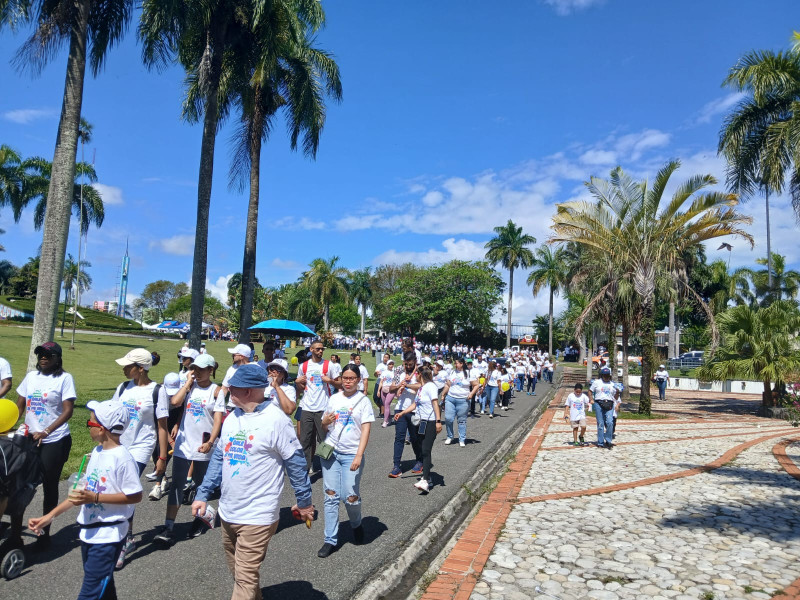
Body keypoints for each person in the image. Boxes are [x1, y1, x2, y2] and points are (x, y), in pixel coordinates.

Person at [191, 365, 314, 600]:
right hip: (228, 513)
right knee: (240, 576)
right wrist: (202, 494)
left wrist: (305, 502)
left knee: (244, 580)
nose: (227, 391)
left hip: (258, 515)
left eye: (232, 388)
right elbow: (219, 458)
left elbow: (297, 464)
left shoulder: (276, 420)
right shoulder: (232, 418)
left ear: (247, 391)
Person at [28, 400, 142, 600]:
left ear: (102, 429)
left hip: (109, 536)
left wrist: (95, 497)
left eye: (90, 423)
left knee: (90, 592)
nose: (88, 426)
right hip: (89, 532)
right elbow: (80, 495)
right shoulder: (97, 453)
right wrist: (49, 517)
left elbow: (135, 495)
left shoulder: (122, 458)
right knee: (103, 587)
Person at [154, 353, 225, 546]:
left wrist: (211, 442)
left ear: (211, 370)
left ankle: (201, 518)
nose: (197, 372)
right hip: (184, 445)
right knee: (177, 484)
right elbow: (175, 402)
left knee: (202, 485)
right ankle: (168, 526)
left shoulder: (216, 391)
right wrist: (187, 384)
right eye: (194, 369)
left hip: (203, 445)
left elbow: (217, 420)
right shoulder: (190, 387)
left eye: (201, 369)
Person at [110, 348, 170, 569]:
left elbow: (162, 426)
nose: (124, 368)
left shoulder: (157, 391)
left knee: (127, 491)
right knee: (116, 490)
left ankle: (125, 541)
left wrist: (161, 457)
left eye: (128, 365)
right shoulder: (122, 388)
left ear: (141, 368)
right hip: (120, 444)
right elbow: (111, 415)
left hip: (141, 447)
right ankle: (126, 534)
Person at [14, 341, 75, 551]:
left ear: (58, 358)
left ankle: (44, 535)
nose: (43, 358)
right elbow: (20, 405)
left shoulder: (64, 379)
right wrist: (8, 425)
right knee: (19, 484)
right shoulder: (31, 377)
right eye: (41, 354)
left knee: (49, 485)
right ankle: (15, 536)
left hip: (55, 439)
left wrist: (46, 431)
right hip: (30, 438)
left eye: (48, 355)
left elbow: (68, 410)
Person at [318, 364, 374, 557]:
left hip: (351, 454)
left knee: (350, 496)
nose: (348, 382)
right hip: (331, 452)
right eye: (345, 378)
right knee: (330, 495)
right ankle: (330, 539)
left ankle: (356, 524)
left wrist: (359, 455)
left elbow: (366, 429)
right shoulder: (334, 398)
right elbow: (325, 425)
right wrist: (324, 423)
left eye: (351, 378)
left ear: (358, 380)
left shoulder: (363, 401)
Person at [295, 339, 342, 475]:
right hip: (307, 407)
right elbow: (301, 387)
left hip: (323, 407)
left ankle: (327, 467)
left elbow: (340, 384)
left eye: (322, 349)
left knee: (324, 439)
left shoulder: (329, 365)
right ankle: (305, 468)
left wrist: (330, 381)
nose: (321, 351)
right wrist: (297, 382)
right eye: (318, 349)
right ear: (311, 350)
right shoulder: (303, 366)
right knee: (305, 440)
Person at [149, 372, 184, 501]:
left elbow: (182, 410)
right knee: (157, 451)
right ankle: (163, 478)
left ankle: (158, 486)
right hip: (161, 423)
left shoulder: (183, 393)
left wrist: (177, 424)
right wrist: (170, 440)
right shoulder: (158, 394)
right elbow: (161, 426)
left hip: (174, 420)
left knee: (164, 453)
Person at [388, 351, 422, 478]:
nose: (408, 367)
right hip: (400, 409)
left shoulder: (419, 372)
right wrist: (399, 384)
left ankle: (420, 460)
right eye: (406, 364)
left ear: (415, 362)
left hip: (415, 410)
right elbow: (391, 388)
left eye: (410, 364)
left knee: (415, 438)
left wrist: (407, 385)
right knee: (399, 438)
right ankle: (396, 466)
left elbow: (421, 386)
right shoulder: (399, 372)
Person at [440, 358, 476, 447]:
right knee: (448, 418)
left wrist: (471, 394)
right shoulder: (452, 372)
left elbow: (476, 385)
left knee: (461, 420)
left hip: (463, 400)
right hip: (450, 398)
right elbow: (448, 384)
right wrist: (443, 394)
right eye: (455, 363)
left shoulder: (469, 373)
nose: (455, 365)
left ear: (462, 364)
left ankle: (462, 439)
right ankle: (450, 436)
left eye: (457, 363)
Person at [589, 367, 619, 449]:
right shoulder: (597, 382)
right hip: (599, 403)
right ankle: (600, 442)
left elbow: (615, 397)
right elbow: (590, 391)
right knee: (600, 423)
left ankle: (608, 440)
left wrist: (618, 392)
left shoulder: (613, 384)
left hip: (609, 403)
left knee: (610, 422)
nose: (606, 377)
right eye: (604, 375)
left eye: (607, 375)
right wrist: (591, 399)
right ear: (602, 375)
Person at [378, 359, 396, 428]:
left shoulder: (395, 372)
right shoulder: (384, 372)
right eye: (390, 364)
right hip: (384, 389)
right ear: (387, 365)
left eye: (392, 364)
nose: (391, 365)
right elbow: (381, 382)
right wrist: (378, 390)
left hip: (391, 390)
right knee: (385, 405)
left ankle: (385, 421)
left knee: (387, 404)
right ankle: (389, 418)